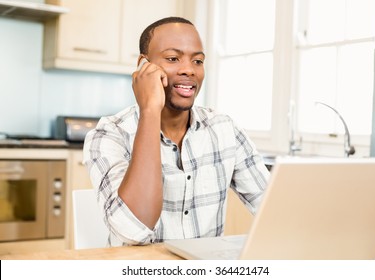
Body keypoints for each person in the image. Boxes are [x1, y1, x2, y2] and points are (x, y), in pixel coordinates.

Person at [83, 16, 270, 246]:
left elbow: (275, 212)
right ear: (144, 65)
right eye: (173, 58)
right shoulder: (110, 134)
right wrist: (150, 110)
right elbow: (133, 231)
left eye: (198, 61)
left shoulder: (224, 129)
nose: (189, 70)